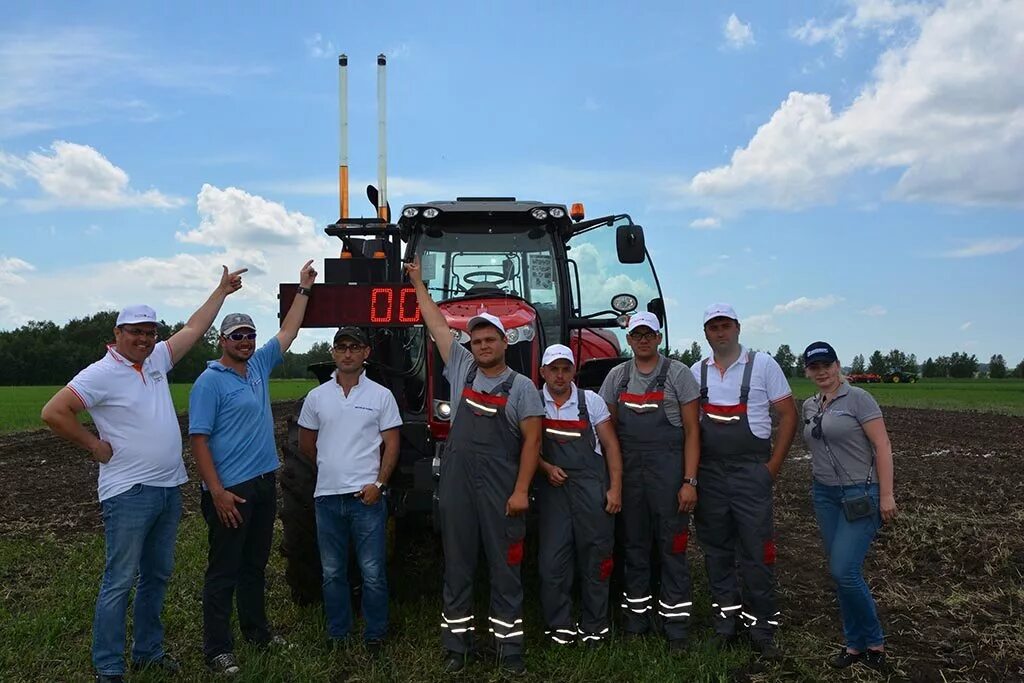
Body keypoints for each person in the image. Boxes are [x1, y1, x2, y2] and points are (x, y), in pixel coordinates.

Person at [40, 267, 246, 683]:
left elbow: (193, 327)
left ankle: (149, 651)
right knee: (119, 580)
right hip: (129, 492)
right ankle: (109, 666)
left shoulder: (155, 360)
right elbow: (53, 412)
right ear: (117, 334)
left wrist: (221, 291)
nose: (144, 338)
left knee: (156, 576)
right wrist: (94, 446)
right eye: (135, 331)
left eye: (150, 331)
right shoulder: (100, 373)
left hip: (168, 489)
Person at [406, 257, 544, 676]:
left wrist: (521, 491)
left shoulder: (523, 388)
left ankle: (509, 648)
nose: (483, 346)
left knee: (506, 565)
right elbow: (435, 325)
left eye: (490, 341)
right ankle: (457, 646)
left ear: (505, 344)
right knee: (458, 563)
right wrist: (416, 282)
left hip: (502, 486)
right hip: (458, 484)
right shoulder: (461, 369)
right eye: (477, 341)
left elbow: (533, 441)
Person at [188, 260, 316, 676]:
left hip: (263, 483)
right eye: (237, 336)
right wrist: (217, 491)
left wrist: (304, 290)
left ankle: (257, 632)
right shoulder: (210, 382)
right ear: (222, 340)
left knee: (254, 566)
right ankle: (217, 648)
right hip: (231, 490)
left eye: (249, 335)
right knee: (223, 570)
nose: (245, 341)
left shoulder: (258, 367)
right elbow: (199, 441)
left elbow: (289, 332)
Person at [691, 303, 798, 660]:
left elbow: (787, 415)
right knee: (716, 549)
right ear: (706, 333)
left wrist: (772, 468)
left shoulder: (763, 365)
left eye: (725, 326)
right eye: (713, 327)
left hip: (751, 471)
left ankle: (762, 627)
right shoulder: (696, 372)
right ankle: (726, 623)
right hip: (710, 473)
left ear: (737, 328)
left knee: (757, 550)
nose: (720, 333)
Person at [597, 311, 701, 652]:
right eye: (637, 334)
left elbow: (691, 431)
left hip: (668, 474)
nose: (643, 339)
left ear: (659, 338)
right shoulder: (617, 377)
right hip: (631, 475)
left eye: (649, 334)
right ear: (629, 339)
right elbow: (607, 432)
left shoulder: (678, 374)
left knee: (672, 549)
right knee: (635, 548)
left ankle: (676, 628)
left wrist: (689, 480)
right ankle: (636, 620)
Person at [297, 326, 402, 652]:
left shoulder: (381, 395)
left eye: (354, 347)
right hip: (327, 499)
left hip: (366, 498)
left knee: (372, 572)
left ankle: (375, 634)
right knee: (332, 573)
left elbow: (392, 444)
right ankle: (338, 633)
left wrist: (379, 484)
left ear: (365, 353)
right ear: (333, 353)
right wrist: (331, 471)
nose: (347, 353)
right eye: (341, 347)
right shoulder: (317, 397)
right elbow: (306, 445)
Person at [802, 341, 896, 672]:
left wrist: (886, 495)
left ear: (838, 365)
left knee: (844, 570)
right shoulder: (810, 405)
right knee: (841, 574)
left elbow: (882, 445)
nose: (822, 372)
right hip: (825, 495)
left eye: (827, 365)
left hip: (861, 494)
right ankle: (854, 644)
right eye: (814, 367)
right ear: (807, 372)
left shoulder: (858, 398)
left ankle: (875, 642)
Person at [536, 344, 623, 648]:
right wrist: (545, 467)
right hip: (553, 493)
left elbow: (611, 446)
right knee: (552, 563)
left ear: (574, 371)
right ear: (542, 372)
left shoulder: (591, 402)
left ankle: (594, 627)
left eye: (566, 369)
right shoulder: (534, 401)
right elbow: (524, 447)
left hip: (591, 490)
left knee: (596, 559)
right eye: (553, 369)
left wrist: (615, 489)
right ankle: (559, 627)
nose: (560, 375)